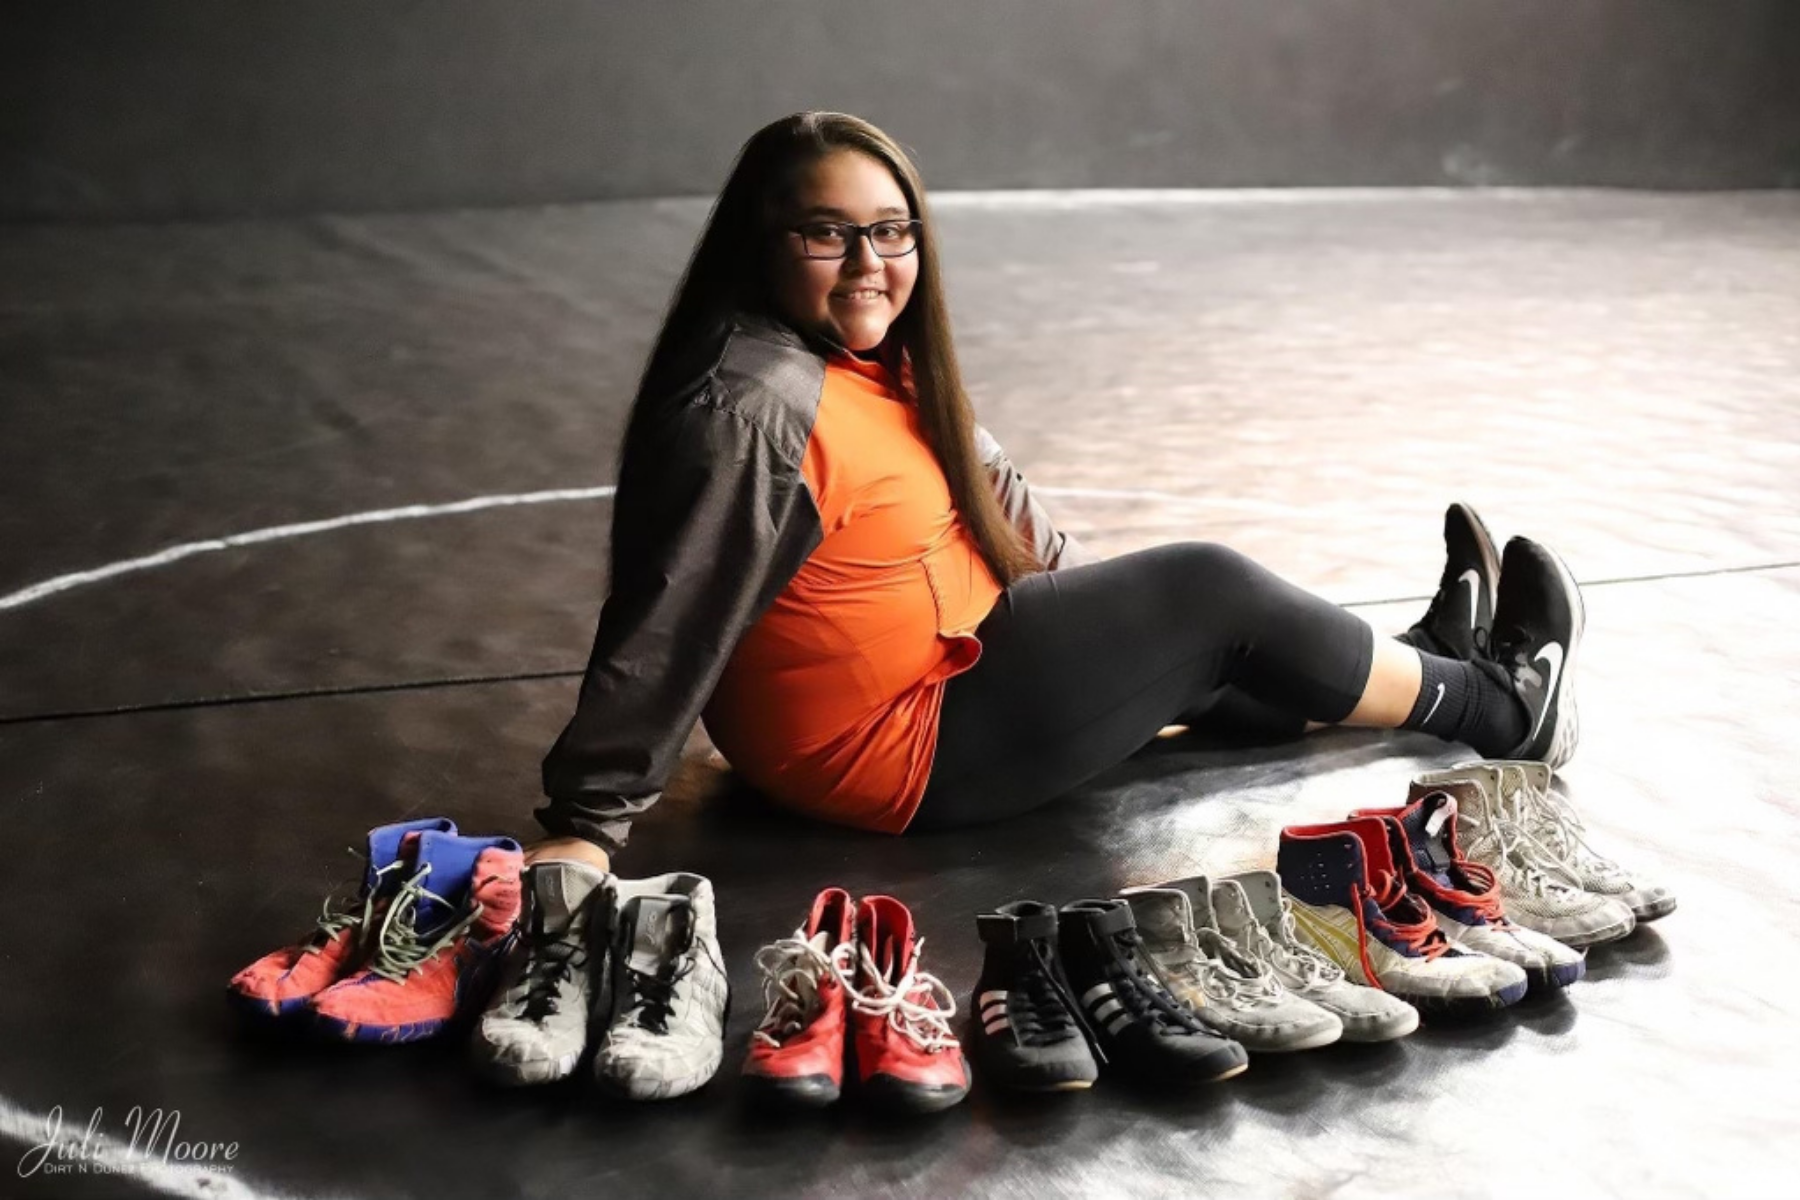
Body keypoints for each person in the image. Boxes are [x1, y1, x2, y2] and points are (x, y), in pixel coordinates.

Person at [524, 112, 1581, 874]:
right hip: (893, 750)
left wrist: (1115, 639)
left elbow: (1003, 506)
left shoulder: (872, 362)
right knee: (1208, 589)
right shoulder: (751, 405)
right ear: (761, 247)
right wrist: (588, 821)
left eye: (891, 231)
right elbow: (671, 611)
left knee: (1205, 648)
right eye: (825, 231)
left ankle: (1428, 662)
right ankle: (1500, 707)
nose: (868, 261)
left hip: (961, 661)